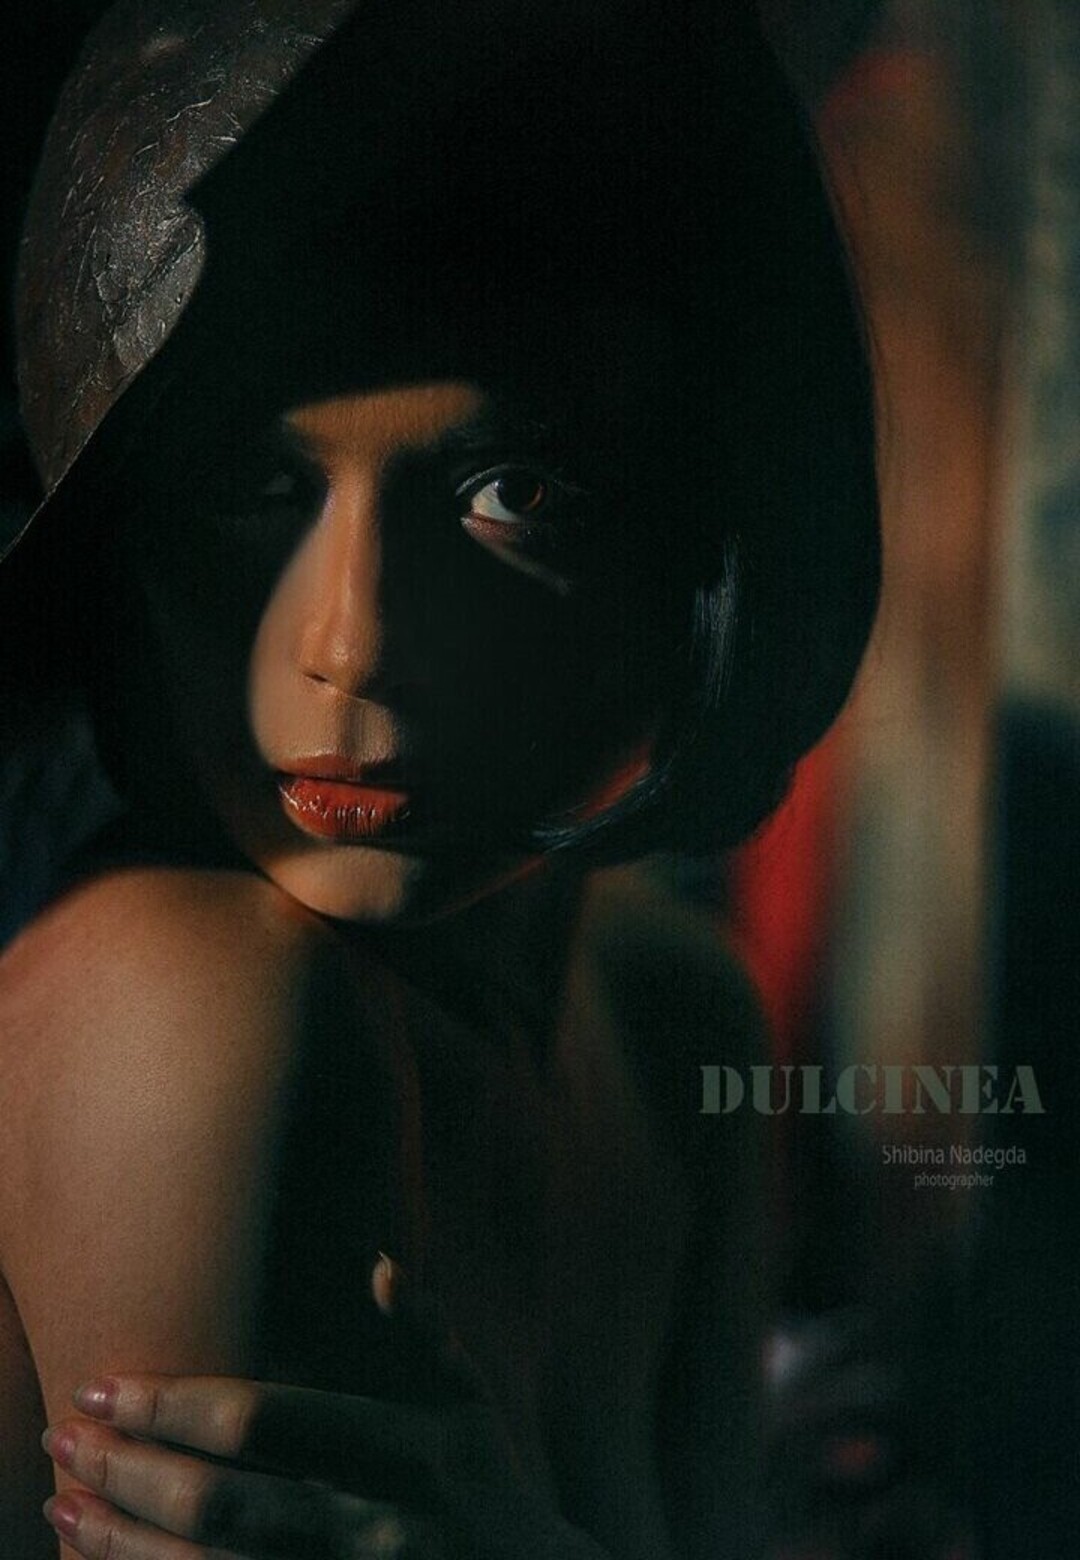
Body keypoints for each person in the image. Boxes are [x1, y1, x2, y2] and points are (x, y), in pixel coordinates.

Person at [0, 0, 880, 1555]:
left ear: (708, 535)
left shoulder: (677, 1019)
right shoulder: (200, 1003)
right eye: (253, 485)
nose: (351, 646)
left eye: (509, 492)